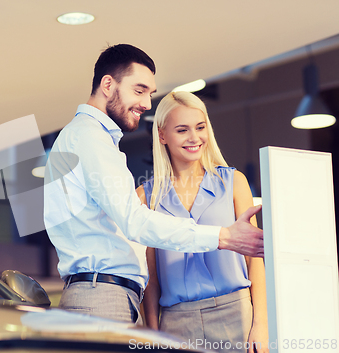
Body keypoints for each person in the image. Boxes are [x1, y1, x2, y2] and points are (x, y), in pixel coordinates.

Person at [43, 44, 263, 324]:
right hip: (102, 299)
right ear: (108, 84)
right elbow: (135, 222)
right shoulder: (89, 138)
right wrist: (222, 236)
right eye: (139, 90)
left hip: (106, 295)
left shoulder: (88, 138)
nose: (147, 104)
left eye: (150, 94)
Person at [137, 91, 268, 352]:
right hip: (176, 323)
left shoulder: (233, 182)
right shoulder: (145, 197)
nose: (194, 137)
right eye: (182, 130)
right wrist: (152, 334)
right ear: (162, 135)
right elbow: (150, 278)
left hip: (236, 314)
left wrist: (261, 323)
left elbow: (255, 260)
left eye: (200, 127)